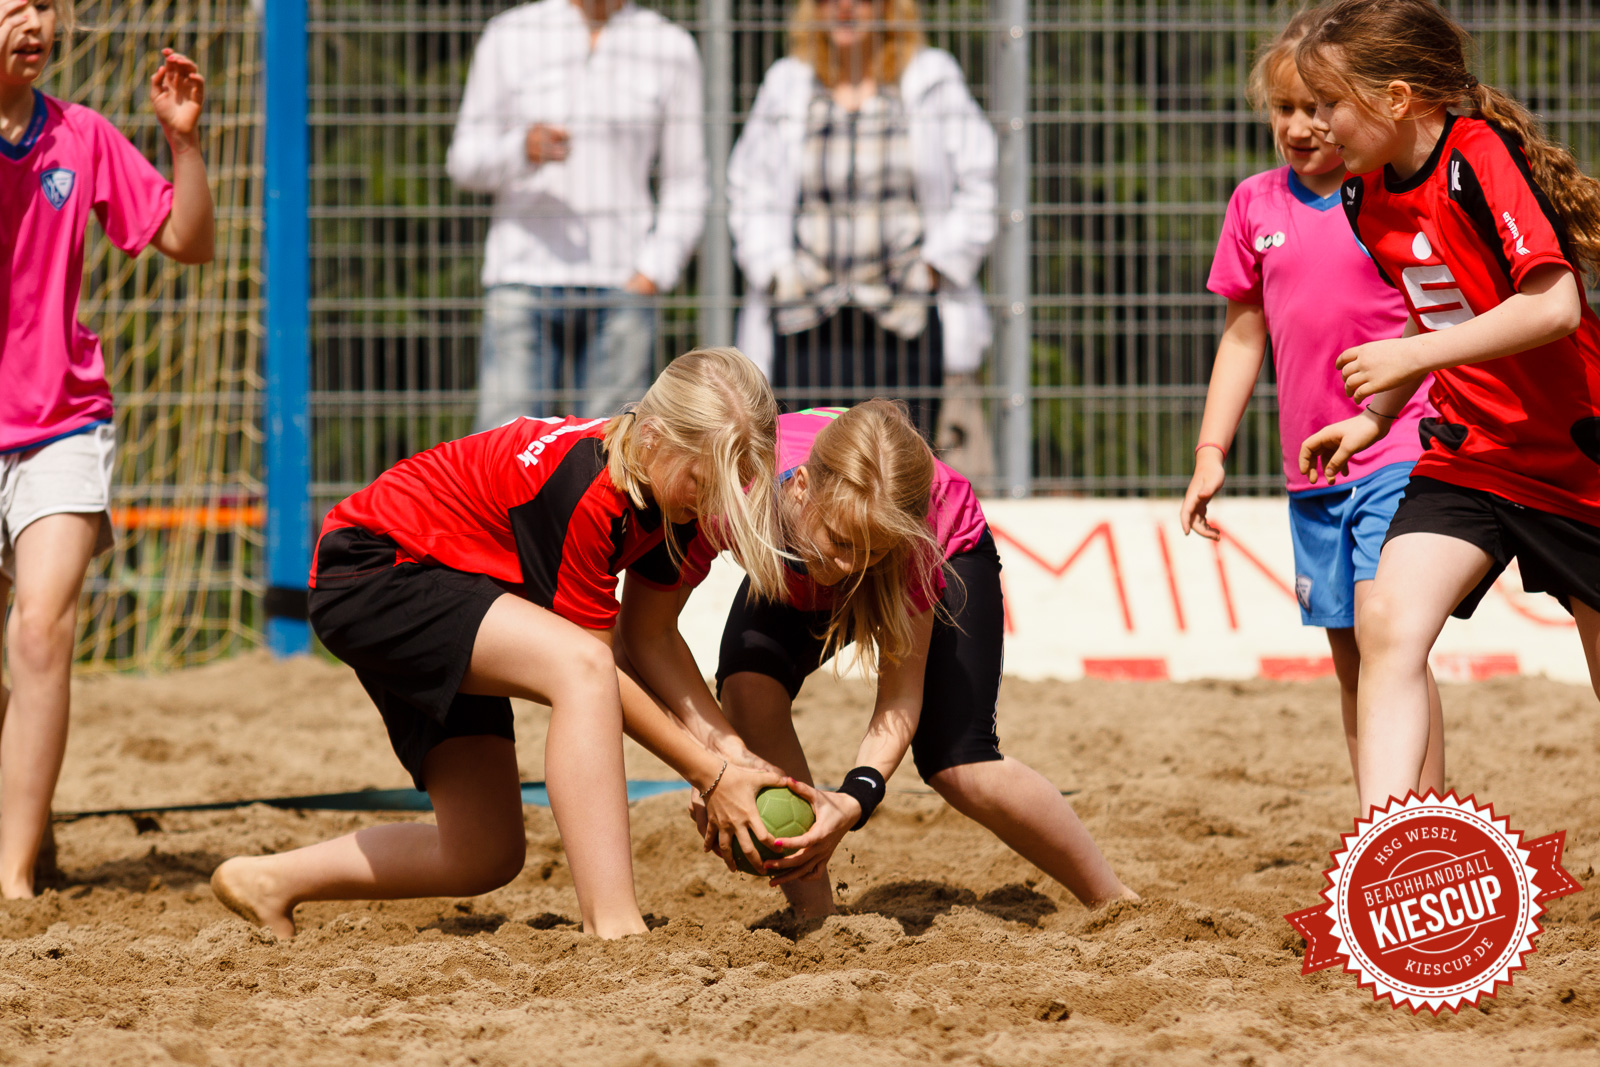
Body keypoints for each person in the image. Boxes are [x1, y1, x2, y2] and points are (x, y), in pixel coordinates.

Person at [209, 349, 790, 939]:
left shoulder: (670, 493)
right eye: (703, 480)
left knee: (483, 853)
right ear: (653, 438)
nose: (715, 501)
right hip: (372, 569)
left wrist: (730, 750)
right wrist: (710, 775)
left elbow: (652, 637)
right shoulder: (586, 488)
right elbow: (600, 672)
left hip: (457, 585)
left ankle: (268, 881)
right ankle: (613, 925)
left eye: (730, 486)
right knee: (581, 666)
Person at [633, 401, 1137, 917]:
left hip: (942, 543)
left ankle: (1117, 904)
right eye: (842, 542)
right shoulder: (732, 494)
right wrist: (721, 767)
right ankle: (816, 923)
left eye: (869, 553)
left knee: (959, 763)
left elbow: (899, 696)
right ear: (801, 487)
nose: (852, 567)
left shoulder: (904, 541)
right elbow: (645, 636)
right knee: (746, 690)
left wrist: (853, 800)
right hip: (798, 545)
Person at [1295, 0, 1600, 818]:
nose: (1317, 122)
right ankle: (1389, 853)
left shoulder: (1477, 156)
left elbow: (1555, 305)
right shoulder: (1365, 197)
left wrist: (1409, 358)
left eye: (1330, 102)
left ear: (1398, 99)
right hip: (1471, 452)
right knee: (1389, 622)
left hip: (1579, 460)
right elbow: (1439, 309)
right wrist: (1375, 416)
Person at [1180, 10, 1443, 802]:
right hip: (1313, 472)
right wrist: (1209, 452)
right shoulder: (1254, 205)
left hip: (1399, 447)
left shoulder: (1389, 197)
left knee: (1390, 640)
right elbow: (1242, 337)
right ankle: (1382, 830)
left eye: (1316, 107)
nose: (1300, 126)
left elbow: (1431, 316)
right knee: (1354, 662)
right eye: (1284, 108)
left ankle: (1424, 831)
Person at [0, 0, 214, 899]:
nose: (35, 18)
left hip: (60, 420)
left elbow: (190, 242)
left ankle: (10, 880)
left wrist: (184, 143)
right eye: (15, 2)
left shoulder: (81, 134)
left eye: (46, 3)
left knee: (43, 629)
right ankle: (28, 829)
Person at [727, 0, 996, 444]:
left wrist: (933, 268)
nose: (846, 6)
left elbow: (980, 181)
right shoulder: (788, 82)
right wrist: (775, 271)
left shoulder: (930, 77)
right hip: (806, 317)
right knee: (807, 475)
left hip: (904, 316)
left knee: (898, 477)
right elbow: (746, 186)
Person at [447, 0, 706, 427]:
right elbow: (463, 161)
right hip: (522, 279)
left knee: (612, 465)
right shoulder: (510, 34)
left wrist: (654, 271)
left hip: (624, 285)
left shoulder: (668, 45)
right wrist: (520, 149)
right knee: (500, 462)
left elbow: (688, 179)